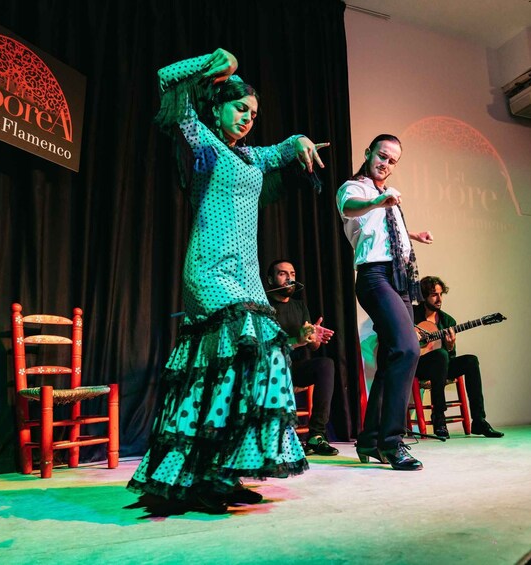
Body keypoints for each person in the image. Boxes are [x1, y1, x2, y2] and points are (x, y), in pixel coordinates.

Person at [126, 48, 329, 514]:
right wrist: (217, 62)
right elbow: (163, 77)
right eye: (240, 108)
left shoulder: (251, 157)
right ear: (216, 106)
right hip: (210, 271)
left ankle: (223, 469)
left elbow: (281, 150)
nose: (248, 119)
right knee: (222, 366)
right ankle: (199, 473)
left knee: (263, 363)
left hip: (249, 278)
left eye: (255, 113)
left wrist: (297, 139)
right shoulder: (200, 140)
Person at [337, 134, 433, 471]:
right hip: (374, 277)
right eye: (382, 156)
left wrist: (413, 235)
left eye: (392, 161)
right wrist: (380, 204)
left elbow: (385, 231)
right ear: (368, 152)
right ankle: (392, 443)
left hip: (400, 279)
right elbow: (349, 210)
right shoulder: (356, 188)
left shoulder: (383, 196)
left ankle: (369, 440)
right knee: (408, 350)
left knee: (395, 354)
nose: (386, 164)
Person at [414, 276, 504, 439]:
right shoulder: (412, 315)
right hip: (418, 366)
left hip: (440, 367)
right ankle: (439, 418)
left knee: (470, 360)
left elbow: (450, 358)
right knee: (440, 356)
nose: (439, 299)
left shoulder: (448, 321)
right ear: (424, 296)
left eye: (441, 294)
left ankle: (478, 420)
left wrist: (449, 346)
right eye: (434, 294)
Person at [266, 259, 338, 456]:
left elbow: (312, 345)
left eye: (292, 274)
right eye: (282, 274)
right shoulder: (263, 306)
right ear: (271, 280)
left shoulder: (300, 306)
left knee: (326, 364)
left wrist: (314, 337)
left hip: (296, 369)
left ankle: (316, 436)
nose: (289, 279)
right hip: (272, 370)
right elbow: (267, 347)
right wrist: (298, 339)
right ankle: (280, 437)